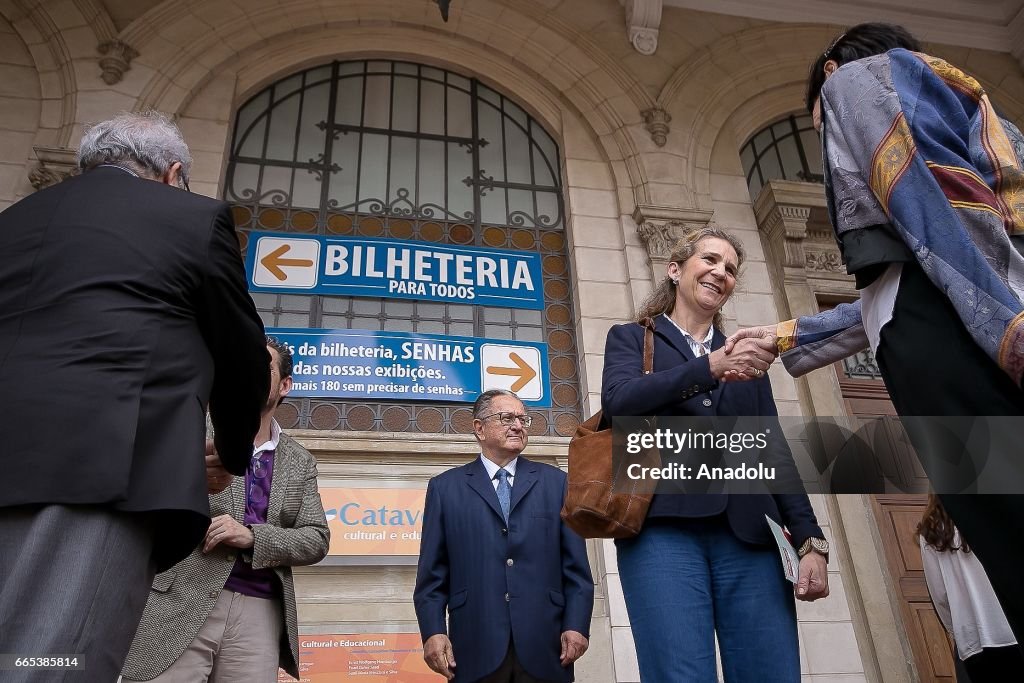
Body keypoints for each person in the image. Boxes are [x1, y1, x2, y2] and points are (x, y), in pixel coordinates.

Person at [725, 23, 1024, 642]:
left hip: (960, 341)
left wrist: (1010, 334)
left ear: (830, 73)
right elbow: (897, 291)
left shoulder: (856, 82)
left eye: (816, 124)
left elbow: (938, 217)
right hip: (956, 320)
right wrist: (785, 336)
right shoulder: (963, 101)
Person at [0, 111, 268, 681]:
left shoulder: (12, 220)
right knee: (51, 658)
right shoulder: (192, 217)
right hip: (100, 471)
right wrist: (233, 452)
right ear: (172, 174)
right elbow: (242, 350)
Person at [602, 227, 830, 681]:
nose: (720, 272)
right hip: (661, 532)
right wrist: (710, 367)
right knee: (679, 673)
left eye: (730, 269)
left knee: (771, 672)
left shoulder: (749, 360)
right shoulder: (631, 338)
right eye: (709, 259)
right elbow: (619, 403)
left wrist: (810, 541)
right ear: (675, 270)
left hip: (753, 538)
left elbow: (773, 451)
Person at [121, 336, 330, 682]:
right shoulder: (187, 431)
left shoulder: (300, 460)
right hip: (177, 601)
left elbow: (317, 539)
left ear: (284, 386)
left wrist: (252, 537)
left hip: (259, 611)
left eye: (262, 367)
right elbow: (139, 496)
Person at [413, 389, 594, 682]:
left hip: (546, 645)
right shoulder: (445, 489)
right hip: (474, 644)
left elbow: (576, 569)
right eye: (507, 418)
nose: (518, 425)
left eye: (524, 419)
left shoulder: (557, 483)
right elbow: (432, 574)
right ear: (479, 428)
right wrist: (433, 631)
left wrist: (577, 625)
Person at [917, 495, 1022, 681]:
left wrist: (956, 629)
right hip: (1007, 625)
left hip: (973, 638)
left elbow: (939, 595)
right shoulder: (992, 512)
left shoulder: (931, 530)